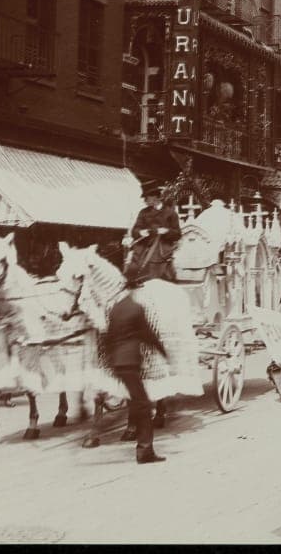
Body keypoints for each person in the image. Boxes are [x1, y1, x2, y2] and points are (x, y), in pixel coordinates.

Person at [105, 268, 169, 464]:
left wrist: (111, 360)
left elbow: (108, 338)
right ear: (136, 288)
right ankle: (145, 450)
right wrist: (164, 352)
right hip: (131, 361)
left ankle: (142, 446)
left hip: (119, 363)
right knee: (143, 405)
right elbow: (147, 335)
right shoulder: (136, 308)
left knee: (136, 401)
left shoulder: (115, 308)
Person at [124, 183, 181, 283]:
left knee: (156, 262)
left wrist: (166, 231)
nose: (145, 201)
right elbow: (135, 230)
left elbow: (177, 234)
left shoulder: (170, 213)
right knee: (134, 265)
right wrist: (141, 232)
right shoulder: (143, 212)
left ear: (155, 198)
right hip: (144, 244)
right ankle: (130, 284)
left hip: (162, 245)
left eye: (147, 198)